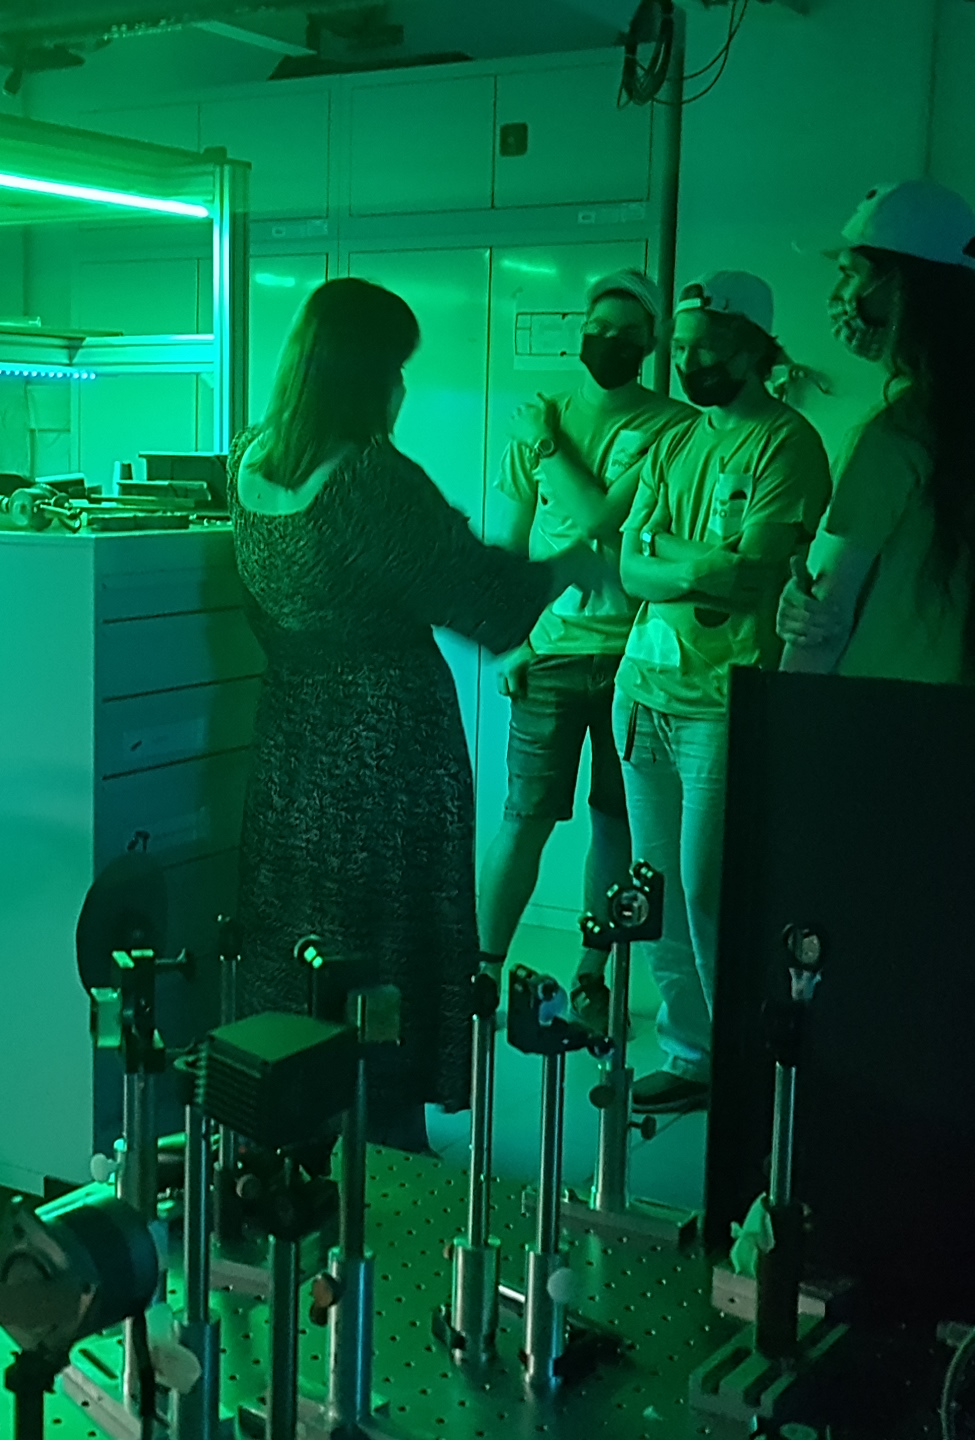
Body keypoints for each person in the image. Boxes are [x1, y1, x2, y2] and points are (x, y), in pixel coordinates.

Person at [229, 277, 613, 1152]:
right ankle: (385, 1134)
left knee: (299, 931)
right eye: (397, 369)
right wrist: (570, 565)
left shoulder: (246, 463)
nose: (402, 387)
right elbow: (485, 599)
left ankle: (297, 1121)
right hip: (386, 750)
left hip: (292, 743)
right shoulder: (369, 480)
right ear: (367, 375)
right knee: (387, 941)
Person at [614, 272, 832, 1112]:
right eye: (681, 345)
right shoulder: (676, 439)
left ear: (753, 348)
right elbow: (630, 566)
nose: (689, 360)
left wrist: (674, 555)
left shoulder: (787, 444)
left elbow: (750, 577)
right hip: (644, 689)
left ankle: (745, 1060)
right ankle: (690, 1051)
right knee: (655, 886)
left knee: (711, 889)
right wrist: (693, 564)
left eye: (706, 346)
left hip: (723, 700)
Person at [478, 268, 694, 1025]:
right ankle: (482, 971)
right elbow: (509, 547)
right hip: (549, 655)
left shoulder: (673, 429)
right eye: (597, 329)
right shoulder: (541, 417)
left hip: (638, 658)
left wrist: (545, 444)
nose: (608, 342)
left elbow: (604, 519)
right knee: (524, 817)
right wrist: (510, 642)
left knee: (617, 822)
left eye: (625, 333)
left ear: (652, 341)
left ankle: (593, 972)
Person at [778, 180, 975, 688]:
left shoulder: (892, 434)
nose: (838, 297)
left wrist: (780, 717)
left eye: (850, 274)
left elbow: (824, 618)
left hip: (868, 710)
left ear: (898, 286)